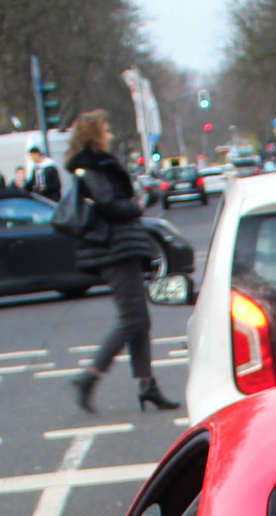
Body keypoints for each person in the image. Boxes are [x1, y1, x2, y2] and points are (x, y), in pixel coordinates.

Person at [65, 110, 176, 414]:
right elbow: (109, 203)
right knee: (133, 319)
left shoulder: (92, 165)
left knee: (139, 319)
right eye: (106, 129)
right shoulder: (95, 166)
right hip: (115, 248)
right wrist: (138, 204)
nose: (110, 134)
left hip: (116, 246)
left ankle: (147, 384)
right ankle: (89, 376)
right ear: (94, 135)